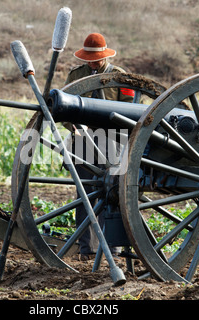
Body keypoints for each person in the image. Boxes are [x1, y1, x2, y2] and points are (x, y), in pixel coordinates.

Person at [64, 33, 134, 260]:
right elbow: (63, 106)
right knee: (84, 197)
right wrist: (73, 126)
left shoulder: (120, 77)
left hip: (111, 143)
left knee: (110, 194)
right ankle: (87, 249)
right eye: (89, 59)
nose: (92, 63)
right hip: (83, 142)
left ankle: (112, 248)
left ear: (104, 56)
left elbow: (131, 109)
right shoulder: (76, 76)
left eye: (96, 59)